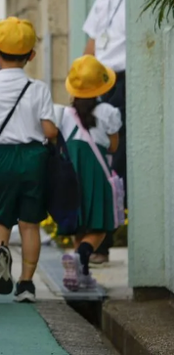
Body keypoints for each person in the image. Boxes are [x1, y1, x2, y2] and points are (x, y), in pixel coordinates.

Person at [0, 17, 59, 303]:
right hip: (34, 158)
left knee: (0, 218)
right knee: (30, 223)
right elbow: (49, 130)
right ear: (31, 56)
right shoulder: (39, 89)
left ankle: (1, 250)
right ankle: (26, 283)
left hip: (3, 157)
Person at [82, 0, 126, 266]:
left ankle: (106, 241)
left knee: (120, 159)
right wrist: (81, 81)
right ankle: (99, 242)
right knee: (100, 159)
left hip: (128, 79)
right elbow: (93, 38)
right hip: (101, 82)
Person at [57, 56, 121, 291]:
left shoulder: (65, 114)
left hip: (71, 175)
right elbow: (113, 146)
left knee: (79, 224)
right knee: (99, 227)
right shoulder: (109, 112)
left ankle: (80, 272)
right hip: (97, 172)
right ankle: (81, 257)